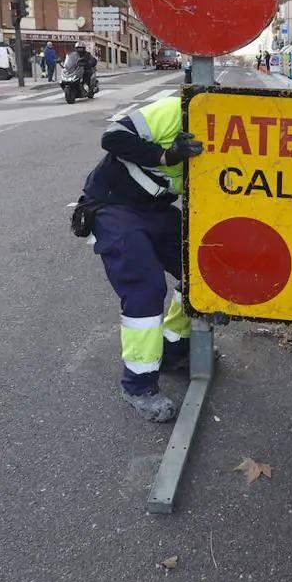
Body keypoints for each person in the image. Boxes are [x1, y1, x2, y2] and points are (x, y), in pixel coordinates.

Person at [80, 96, 204, 422]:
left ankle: (174, 348)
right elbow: (112, 137)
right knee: (145, 290)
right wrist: (166, 155)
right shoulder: (177, 111)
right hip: (113, 206)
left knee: (201, 269)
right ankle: (138, 385)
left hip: (157, 210)